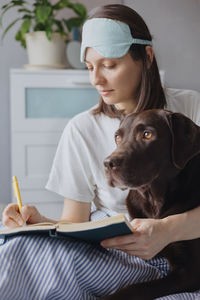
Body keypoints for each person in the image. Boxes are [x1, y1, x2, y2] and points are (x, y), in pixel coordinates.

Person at [1, 4, 200, 300]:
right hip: (114, 251)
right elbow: (75, 222)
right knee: (18, 248)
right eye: (90, 67)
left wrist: (168, 230)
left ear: (146, 57)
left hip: (181, 249)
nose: (96, 80)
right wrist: (39, 221)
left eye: (109, 65)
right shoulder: (81, 129)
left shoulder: (190, 111)